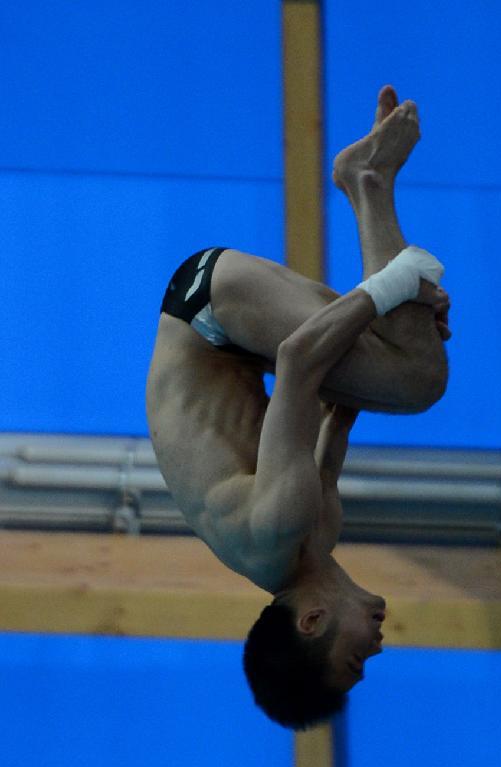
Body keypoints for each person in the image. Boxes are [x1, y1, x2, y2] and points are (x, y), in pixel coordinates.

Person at [146, 85, 451, 730]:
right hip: (230, 341)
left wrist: (398, 286)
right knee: (408, 363)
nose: (377, 651)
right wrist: (411, 317)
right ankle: (367, 184)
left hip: (210, 312)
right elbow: (336, 407)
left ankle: (367, 179)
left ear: (312, 621)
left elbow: (297, 362)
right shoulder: (317, 538)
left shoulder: (279, 526)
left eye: (354, 664)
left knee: (417, 380)